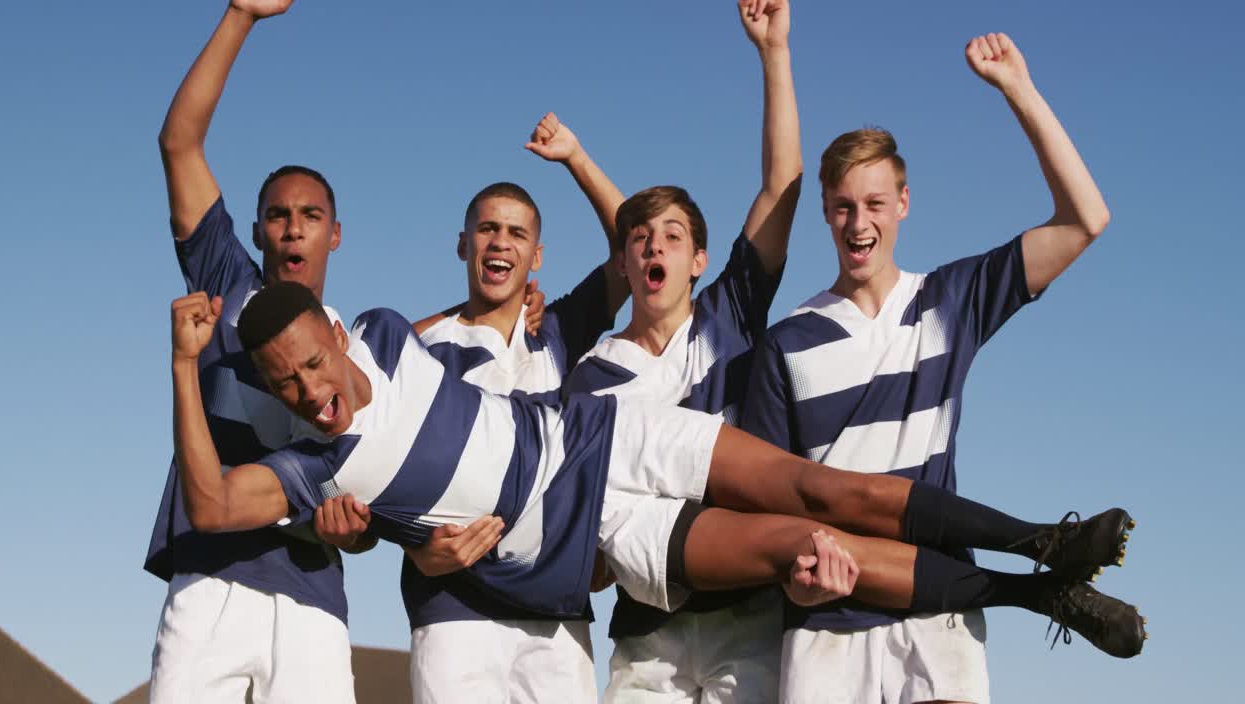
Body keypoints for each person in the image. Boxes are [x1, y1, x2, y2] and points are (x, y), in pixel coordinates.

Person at [168, 282, 1148, 665]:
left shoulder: (388, 332)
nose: (308, 391)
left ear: (338, 335)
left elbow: (481, 316)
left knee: (819, 487)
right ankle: (1038, 598)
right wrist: (183, 367)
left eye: (311, 363)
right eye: (282, 384)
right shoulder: (313, 470)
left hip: (602, 434)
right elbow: (211, 503)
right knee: (807, 546)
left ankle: (1042, 538)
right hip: (595, 535)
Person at [740, 33, 1120, 704]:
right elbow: (771, 504)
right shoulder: (786, 344)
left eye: (876, 203)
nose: (859, 222)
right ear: (826, 213)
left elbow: (1086, 219)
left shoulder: (950, 301)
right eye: (844, 206)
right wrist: (796, 582)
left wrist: (1018, 90)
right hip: (828, 625)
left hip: (939, 611)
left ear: (904, 204)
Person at [146, 0, 488, 700]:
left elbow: (367, 510)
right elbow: (179, 141)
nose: (292, 227)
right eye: (276, 215)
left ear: (335, 233)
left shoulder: (356, 352)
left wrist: (352, 533)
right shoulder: (222, 281)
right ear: (259, 230)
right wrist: (242, 13)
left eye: (310, 215)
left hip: (313, 598)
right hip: (209, 581)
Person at [325, 116, 629, 703]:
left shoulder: (559, 330)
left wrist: (575, 158)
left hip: (554, 612)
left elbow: (632, 246)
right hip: (451, 611)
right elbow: (373, 464)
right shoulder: (415, 347)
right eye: (487, 229)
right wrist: (414, 547)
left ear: (536, 256)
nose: (499, 243)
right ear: (463, 244)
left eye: (516, 233)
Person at [560, 0, 800, 699]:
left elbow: (783, 183)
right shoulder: (591, 375)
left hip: (750, 621)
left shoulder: (728, 315)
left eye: (672, 236)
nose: (655, 247)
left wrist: (774, 53)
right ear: (625, 261)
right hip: (645, 636)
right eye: (640, 238)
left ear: (699, 259)